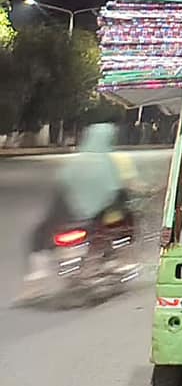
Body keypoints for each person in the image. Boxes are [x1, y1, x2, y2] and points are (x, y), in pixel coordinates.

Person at [20, 122, 128, 298]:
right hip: (93, 220)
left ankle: (36, 277)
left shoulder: (77, 161)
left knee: (39, 235)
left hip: (67, 217)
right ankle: (109, 264)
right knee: (113, 231)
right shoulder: (107, 163)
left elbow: (61, 190)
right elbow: (115, 194)